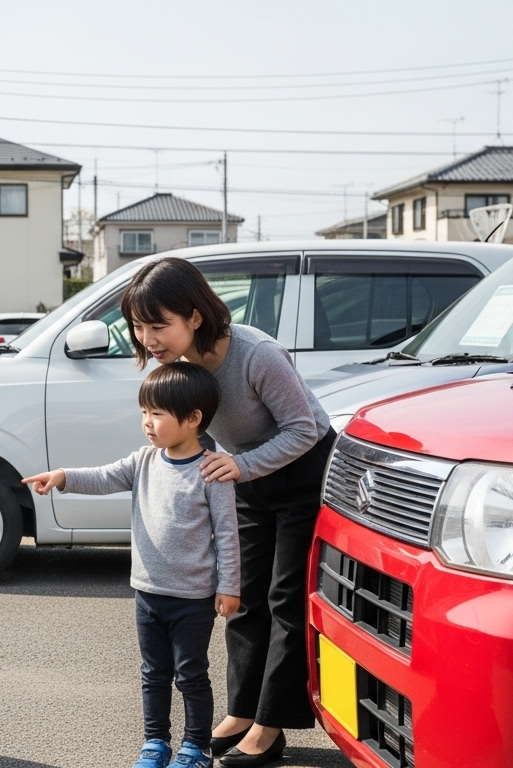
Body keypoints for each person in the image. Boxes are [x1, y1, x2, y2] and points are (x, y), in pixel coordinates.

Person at [120, 257, 335, 768]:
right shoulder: (181, 368)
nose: (148, 338)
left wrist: (239, 466)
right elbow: (203, 429)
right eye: (138, 326)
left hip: (301, 473)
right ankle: (241, 711)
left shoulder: (257, 354)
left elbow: (303, 430)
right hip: (243, 474)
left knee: (286, 599)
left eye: (158, 324)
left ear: (195, 316)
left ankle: (270, 726)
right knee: (242, 597)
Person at [23, 361, 241, 768]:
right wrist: (63, 476)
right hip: (147, 592)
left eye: (157, 413)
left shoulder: (212, 472)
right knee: (153, 673)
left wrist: (229, 586)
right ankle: (155, 743)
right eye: (144, 412)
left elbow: (228, 535)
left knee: (191, 675)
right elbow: (103, 477)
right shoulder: (144, 460)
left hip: (193, 597)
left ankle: (197, 748)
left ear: (193, 419)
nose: (147, 422)